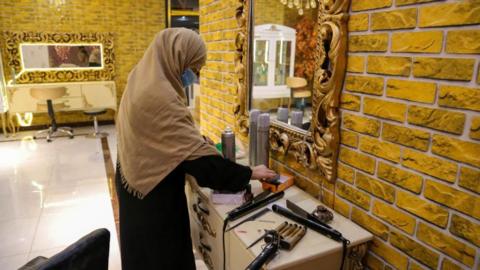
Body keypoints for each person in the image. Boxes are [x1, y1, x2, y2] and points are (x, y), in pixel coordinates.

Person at [115, 28, 277, 270]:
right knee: (164, 258)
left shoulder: (141, 78)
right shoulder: (160, 97)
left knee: (142, 256)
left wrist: (194, 143)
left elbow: (161, 138)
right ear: (178, 58)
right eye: (194, 68)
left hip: (134, 182)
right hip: (154, 201)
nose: (195, 77)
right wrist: (250, 173)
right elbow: (203, 168)